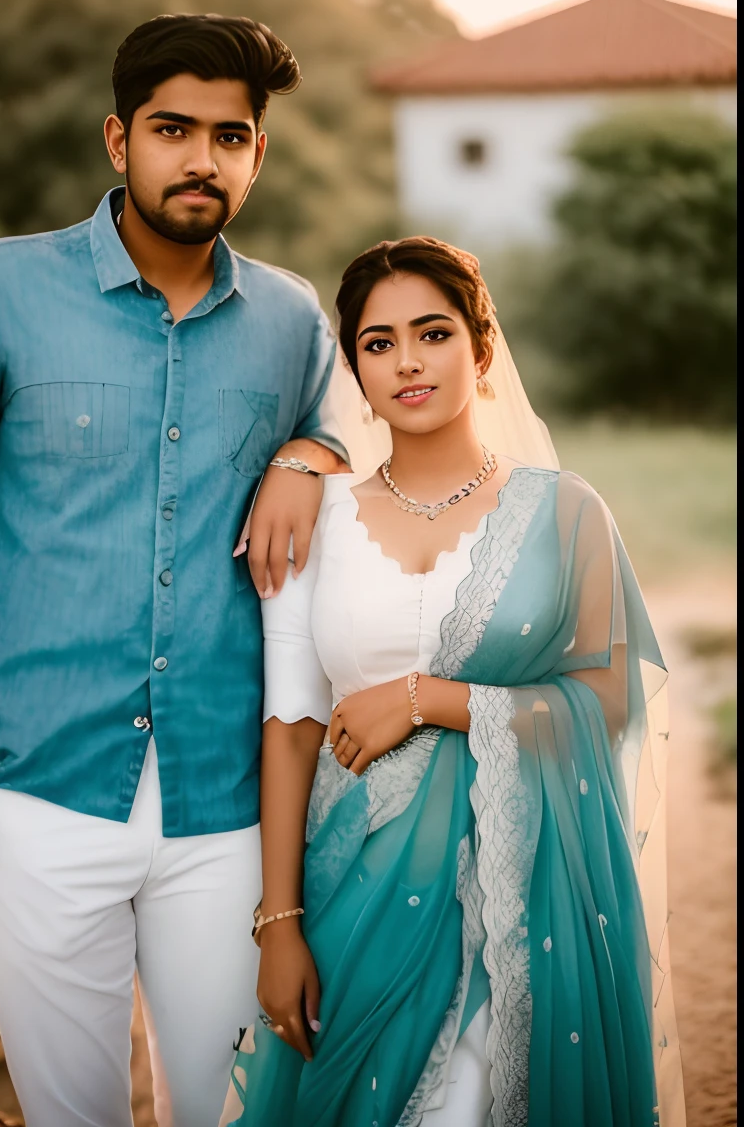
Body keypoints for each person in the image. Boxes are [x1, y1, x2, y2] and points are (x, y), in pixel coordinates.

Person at [0, 14, 348, 1127]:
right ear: (116, 140)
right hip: (41, 791)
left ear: (258, 155)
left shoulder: (290, 321)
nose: (201, 159)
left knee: (232, 1111)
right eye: (172, 129)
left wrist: (306, 453)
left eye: (229, 137)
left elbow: (348, 440)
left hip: (227, 809)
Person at [222, 236, 685, 1127]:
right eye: (378, 343)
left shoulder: (566, 510)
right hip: (358, 893)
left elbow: (616, 696)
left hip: (535, 906)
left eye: (432, 334)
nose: (407, 363)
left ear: (481, 346)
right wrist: (278, 922)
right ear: (355, 369)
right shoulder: (322, 519)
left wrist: (435, 701)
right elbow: (291, 726)